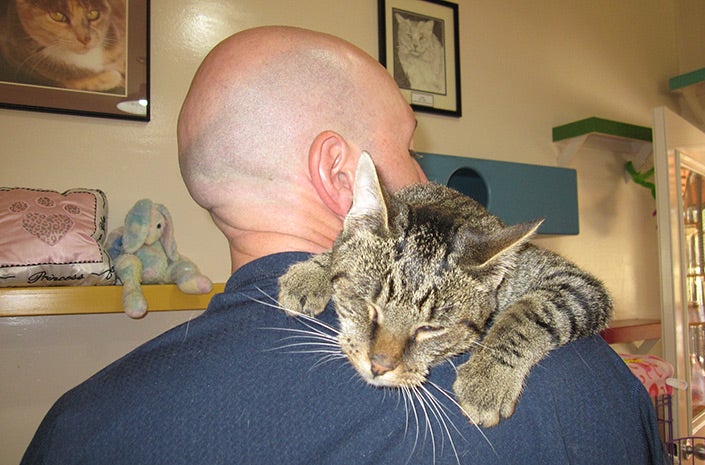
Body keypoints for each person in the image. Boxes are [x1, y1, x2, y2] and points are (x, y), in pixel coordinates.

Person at [21, 26, 667, 465]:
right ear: (341, 175)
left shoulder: (75, 429)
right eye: (408, 147)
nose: (424, 176)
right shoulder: (581, 383)